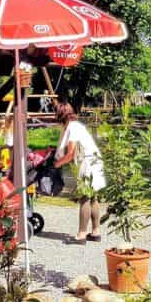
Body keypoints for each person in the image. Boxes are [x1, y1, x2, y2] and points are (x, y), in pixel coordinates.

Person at [53, 102, 105, 244]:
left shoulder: (73, 127)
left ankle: (82, 234)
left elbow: (70, 153)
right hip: (94, 161)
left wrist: (57, 164)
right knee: (93, 197)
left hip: (88, 163)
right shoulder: (74, 126)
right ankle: (96, 232)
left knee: (85, 197)